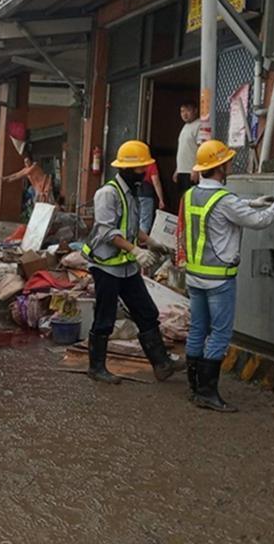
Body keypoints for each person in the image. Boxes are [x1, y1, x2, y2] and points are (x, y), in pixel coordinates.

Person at [179, 140, 274, 412]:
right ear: (219, 167)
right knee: (219, 334)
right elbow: (258, 221)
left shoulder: (190, 194)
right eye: (227, 162)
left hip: (195, 277)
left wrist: (250, 202)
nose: (230, 165)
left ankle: (195, 387)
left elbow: (220, 206)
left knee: (197, 330)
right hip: (219, 279)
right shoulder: (225, 199)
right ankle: (208, 393)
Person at [81, 140, 185, 385]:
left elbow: (130, 227)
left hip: (126, 267)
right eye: (140, 169)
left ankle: (161, 363)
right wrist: (136, 251)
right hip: (106, 266)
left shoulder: (132, 192)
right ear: (127, 169)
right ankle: (97, 368)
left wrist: (152, 241)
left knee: (147, 312)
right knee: (105, 318)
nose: (144, 173)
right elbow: (107, 231)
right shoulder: (107, 193)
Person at [173, 101, 201, 198]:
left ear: (195, 111)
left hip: (191, 171)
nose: (184, 114)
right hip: (182, 170)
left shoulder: (199, 125)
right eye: (182, 111)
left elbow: (200, 148)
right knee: (183, 200)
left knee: (190, 199)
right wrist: (177, 169)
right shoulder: (185, 126)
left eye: (188, 110)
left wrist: (196, 169)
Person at [137, 159, 166, 235]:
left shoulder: (135, 162)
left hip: (134, 194)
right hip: (146, 195)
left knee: (134, 219)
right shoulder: (150, 164)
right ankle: (140, 242)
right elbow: (156, 181)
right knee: (145, 221)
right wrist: (161, 199)